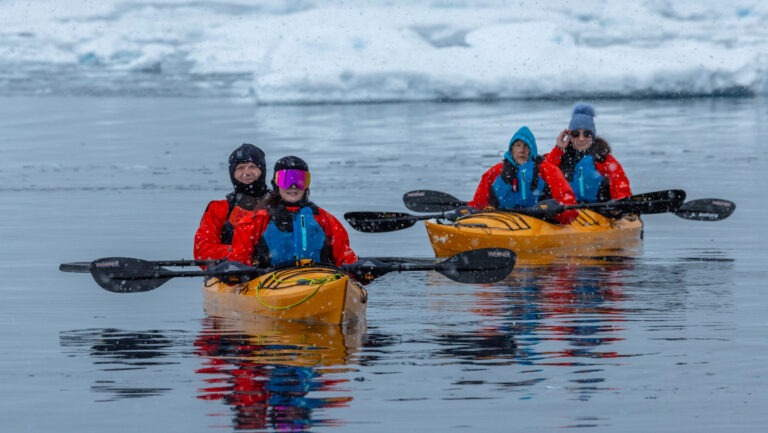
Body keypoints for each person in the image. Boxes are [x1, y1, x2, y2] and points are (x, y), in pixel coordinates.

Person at [227, 156, 358, 269]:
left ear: (306, 185)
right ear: (276, 184)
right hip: (270, 283)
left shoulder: (324, 219)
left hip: (319, 280)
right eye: (287, 180)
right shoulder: (257, 220)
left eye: (300, 180)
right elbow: (239, 261)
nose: (293, 186)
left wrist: (359, 270)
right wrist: (234, 273)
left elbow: (346, 258)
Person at [467, 126, 579, 225]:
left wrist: (557, 213)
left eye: (526, 146)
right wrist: (469, 213)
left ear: (532, 150)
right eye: (517, 145)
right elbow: (478, 204)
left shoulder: (549, 171)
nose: (522, 150)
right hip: (502, 223)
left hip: (541, 223)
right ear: (511, 149)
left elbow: (570, 208)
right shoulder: (494, 173)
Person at [194, 143, 269, 265]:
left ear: (262, 171)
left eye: (252, 166)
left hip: (275, 273)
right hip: (232, 273)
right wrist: (241, 252)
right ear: (232, 173)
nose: (246, 172)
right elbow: (202, 251)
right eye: (240, 168)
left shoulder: (279, 205)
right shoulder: (218, 209)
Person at [546, 103, 632, 203]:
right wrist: (558, 148)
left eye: (587, 134)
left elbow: (621, 188)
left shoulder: (604, 158)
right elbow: (542, 174)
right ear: (569, 136)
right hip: (567, 213)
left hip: (599, 212)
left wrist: (618, 205)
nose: (581, 139)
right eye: (576, 134)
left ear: (593, 136)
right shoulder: (559, 157)